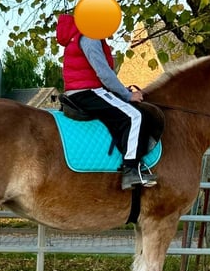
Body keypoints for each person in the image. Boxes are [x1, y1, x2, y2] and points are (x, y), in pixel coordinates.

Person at [56, 13, 157, 190]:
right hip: (88, 91)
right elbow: (104, 73)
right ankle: (131, 171)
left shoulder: (77, 34)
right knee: (135, 116)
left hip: (80, 90)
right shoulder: (90, 36)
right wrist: (127, 95)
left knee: (122, 113)